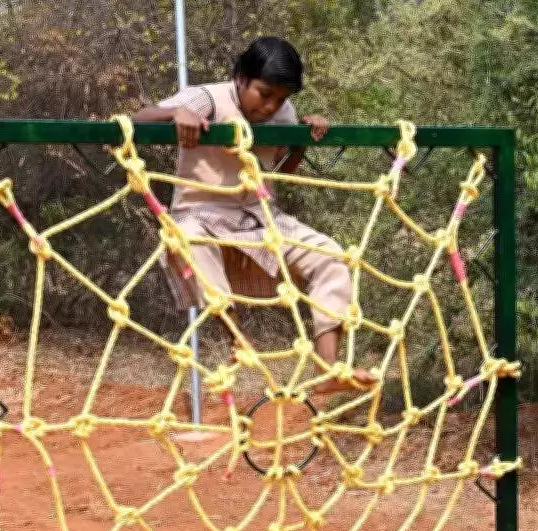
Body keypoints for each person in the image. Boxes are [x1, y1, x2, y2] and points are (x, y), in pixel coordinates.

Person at [133, 36, 377, 394]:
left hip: (259, 218)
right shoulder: (207, 98)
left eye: (281, 98)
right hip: (201, 213)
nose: (271, 106)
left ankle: (328, 370)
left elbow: (279, 172)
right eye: (264, 94)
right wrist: (175, 113)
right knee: (185, 238)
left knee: (331, 256)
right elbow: (138, 118)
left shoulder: (283, 114)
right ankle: (237, 337)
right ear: (241, 77)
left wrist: (300, 140)